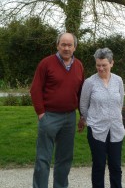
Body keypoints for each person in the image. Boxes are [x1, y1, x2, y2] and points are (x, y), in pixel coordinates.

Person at [30, 32, 85, 188]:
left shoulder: (79, 66)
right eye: (63, 44)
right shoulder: (46, 63)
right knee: (43, 158)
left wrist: (82, 115)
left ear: (75, 47)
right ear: (57, 46)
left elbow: (81, 92)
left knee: (65, 159)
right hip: (49, 117)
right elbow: (35, 89)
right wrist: (41, 113)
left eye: (70, 45)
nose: (66, 48)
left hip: (69, 118)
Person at [79, 47, 125, 188]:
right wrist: (88, 121)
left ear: (111, 63)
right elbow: (83, 105)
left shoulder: (118, 81)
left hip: (116, 130)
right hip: (96, 130)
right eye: (98, 65)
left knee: (115, 166)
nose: (100, 68)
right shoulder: (90, 82)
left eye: (104, 65)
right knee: (99, 166)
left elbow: (120, 103)